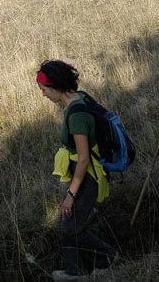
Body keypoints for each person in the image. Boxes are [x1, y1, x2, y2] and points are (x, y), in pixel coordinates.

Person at [38, 60, 118, 281]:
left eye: (44, 89)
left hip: (86, 175)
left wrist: (71, 195)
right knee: (68, 222)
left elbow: (83, 159)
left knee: (71, 226)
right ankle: (73, 270)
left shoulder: (76, 115)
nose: (43, 94)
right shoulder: (80, 97)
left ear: (55, 87)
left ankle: (107, 257)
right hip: (81, 172)